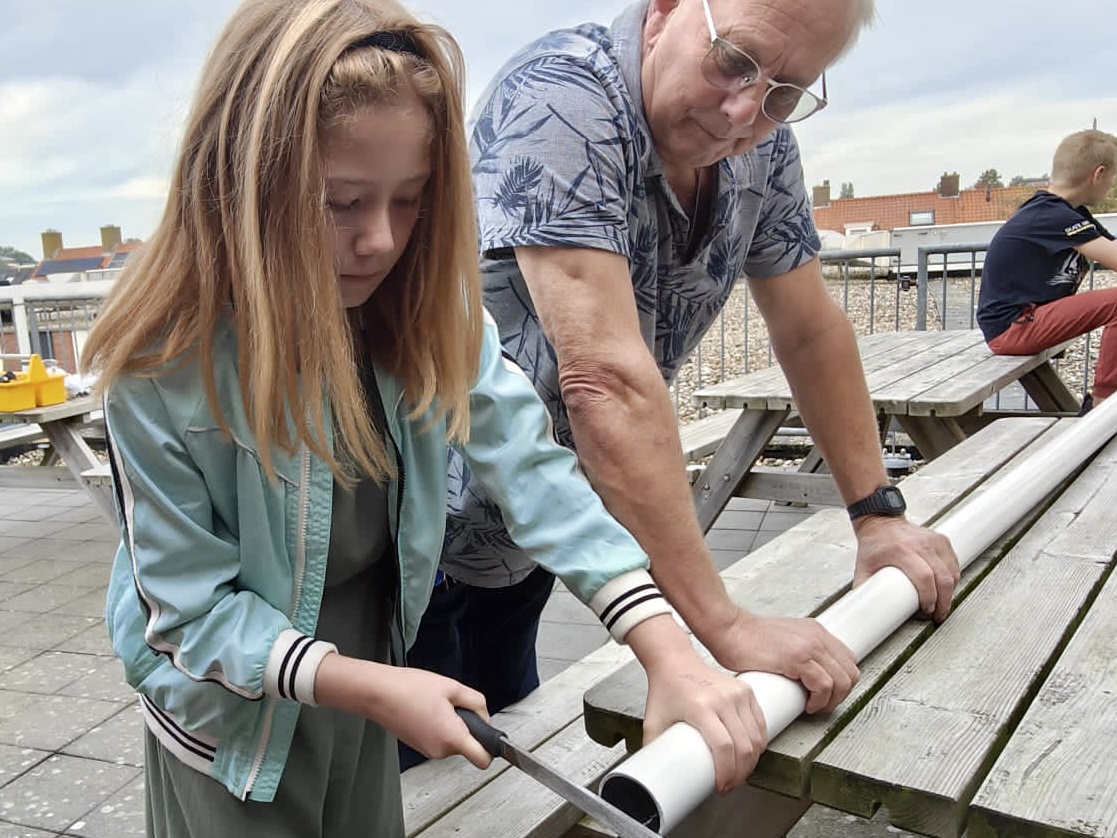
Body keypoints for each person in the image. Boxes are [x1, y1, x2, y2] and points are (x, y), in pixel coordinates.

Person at [81, 1, 769, 835]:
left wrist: (664, 647)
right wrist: (371, 685)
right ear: (240, 181)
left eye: (409, 201)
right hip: (230, 725)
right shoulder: (159, 366)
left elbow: (531, 465)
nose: (379, 241)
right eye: (339, 203)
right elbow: (187, 609)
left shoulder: (422, 312)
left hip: (368, 697)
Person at [407, 0, 962, 763]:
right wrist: (722, 627)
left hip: (544, 524)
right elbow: (602, 379)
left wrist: (876, 515)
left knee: (503, 748)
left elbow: (809, 327)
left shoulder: (760, 147)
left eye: (786, 91)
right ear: (665, 12)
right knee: (403, 775)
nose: (743, 111)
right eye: (731, 60)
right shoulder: (563, 94)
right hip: (410, 524)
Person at [977, 129, 1117, 414]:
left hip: (1024, 319)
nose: (1111, 186)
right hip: (1013, 326)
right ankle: (1105, 406)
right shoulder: (1051, 215)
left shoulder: (1065, 211)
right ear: (1099, 174)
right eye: (1112, 178)